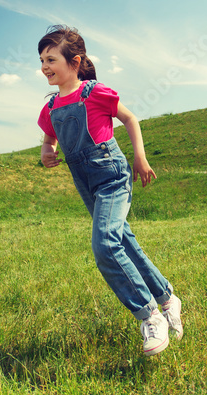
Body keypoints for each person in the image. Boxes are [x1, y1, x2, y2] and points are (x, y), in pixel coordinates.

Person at [37, 25, 183, 356]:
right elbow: (49, 137)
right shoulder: (50, 108)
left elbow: (130, 119)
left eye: (51, 59)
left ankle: (149, 315)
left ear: (74, 62)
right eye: (42, 60)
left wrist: (140, 159)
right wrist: (47, 150)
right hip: (85, 182)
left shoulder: (95, 92)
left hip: (113, 175)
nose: (44, 67)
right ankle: (167, 296)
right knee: (123, 241)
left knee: (105, 244)